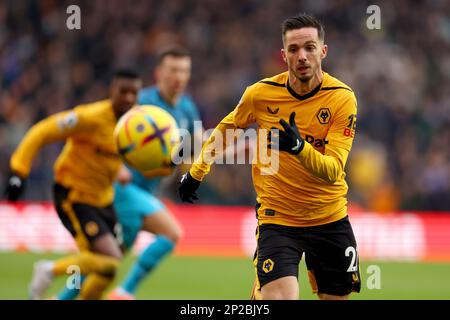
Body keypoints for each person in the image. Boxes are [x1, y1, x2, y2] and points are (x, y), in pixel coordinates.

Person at [178, 14, 361, 300]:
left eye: (309, 47)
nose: (302, 56)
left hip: (329, 217)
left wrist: (299, 148)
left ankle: (257, 295)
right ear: (284, 55)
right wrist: (196, 172)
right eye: (294, 49)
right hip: (278, 220)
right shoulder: (260, 94)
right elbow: (226, 129)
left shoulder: (341, 98)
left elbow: (333, 170)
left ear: (323, 51)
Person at [54, 47, 201, 300]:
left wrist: (227, 150)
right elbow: (108, 133)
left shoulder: (188, 109)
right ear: (159, 73)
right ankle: (125, 291)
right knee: (171, 232)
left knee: (107, 260)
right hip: (122, 188)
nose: (179, 76)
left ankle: (62, 298)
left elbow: (192, 157)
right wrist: (116, 165)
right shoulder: (139, 102)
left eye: (185, 71)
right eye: (174, 70)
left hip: (145, 193)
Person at [3, 70, 142, 300]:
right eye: (123, 91)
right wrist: (19, 171)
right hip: (75, 196)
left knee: (106, 272)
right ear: (111, 91)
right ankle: (48, 270)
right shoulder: (90, 117)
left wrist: (119, 170)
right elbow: (42, 131)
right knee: (109, 261)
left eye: (133, 93)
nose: (128, 98)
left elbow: (106, 154)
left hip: (104, 199)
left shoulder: (132, 123)